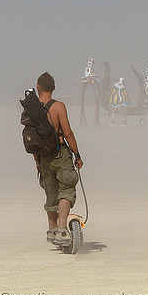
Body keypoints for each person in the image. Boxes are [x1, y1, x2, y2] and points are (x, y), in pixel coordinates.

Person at [33, 72, 83, 246]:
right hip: (60, 154)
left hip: (43, 157)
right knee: (67, 189)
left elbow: (32, 138)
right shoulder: (58, 107)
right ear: (53, 88)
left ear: (38, 87)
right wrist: (77, 155)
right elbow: (68, 133)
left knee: (51, 193)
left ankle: (52, 230)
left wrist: (37, 161)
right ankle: (62, 229)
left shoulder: (32, 108)